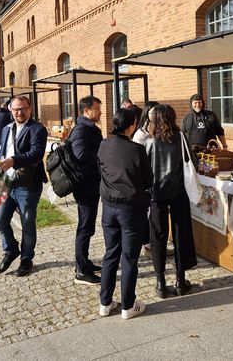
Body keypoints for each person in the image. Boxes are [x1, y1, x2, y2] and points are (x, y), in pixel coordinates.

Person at [97, 108, 153, 320]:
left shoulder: (103, 145)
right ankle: (127, 306)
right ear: (130, 126)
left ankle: (105, 303)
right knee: (129, 258)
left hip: (109, 207)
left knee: (111, 254)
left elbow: (100, 170)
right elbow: (149, 180)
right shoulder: (136, 150)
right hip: (130, 209)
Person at [143, 104, 197, 298]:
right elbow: (192, 162)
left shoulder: (149, 141)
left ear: (155, 118)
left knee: (158, 235)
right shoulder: (180, 137)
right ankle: (181, 280)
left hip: (156, 194)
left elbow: (144, 169)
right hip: (178, 191)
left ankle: (160, 281)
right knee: (181, 233)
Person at [0, 95, 48, 277]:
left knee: (27, 222)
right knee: (0, 220)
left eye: (23, 108)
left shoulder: (37, 129)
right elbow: (2, 150)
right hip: (5, 181)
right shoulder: (6, 128)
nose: (20, 112)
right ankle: (10, 250)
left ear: (30, 109)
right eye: (16, 109)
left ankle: (26, 259)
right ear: (10, 109)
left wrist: (13, 160)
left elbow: (36, 153)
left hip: (27, 183)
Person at [68, 95, 104, 285]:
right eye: (97, 108)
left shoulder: (89, 129)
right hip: (85, 186)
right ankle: (81, 271)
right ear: (86, 111)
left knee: (87, 226)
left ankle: (85, 262)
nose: (100, 112)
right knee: (84, 227)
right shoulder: (81, 130)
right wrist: (103, 157)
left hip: (91, 184)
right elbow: (81, 154)